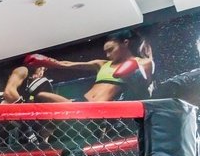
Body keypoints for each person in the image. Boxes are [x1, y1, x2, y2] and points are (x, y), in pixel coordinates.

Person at [23, 30, 154, 102]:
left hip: (104, 108)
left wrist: (132, 69)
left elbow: (144, 86)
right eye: (106, 52)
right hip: (82, 103)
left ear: (125, 43)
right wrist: (47, 61)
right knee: (41, 96)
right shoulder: (102, 64)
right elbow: (68, 65)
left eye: (111, 50)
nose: (108, 55)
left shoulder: (143, 62)